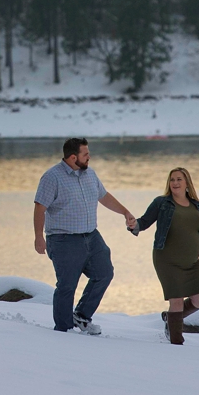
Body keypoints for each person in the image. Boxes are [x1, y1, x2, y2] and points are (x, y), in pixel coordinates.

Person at [33, 136, 140, 334]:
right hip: (64, 240)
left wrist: (125, 212)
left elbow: (104, 197)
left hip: (92, 236)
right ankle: (64, 330)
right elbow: (40, 208)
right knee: (67, 286)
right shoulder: (52, 177)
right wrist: (39, 237)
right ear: (73, 157)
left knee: (104, 273)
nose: (89, 157)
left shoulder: (89, 174)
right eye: (86, 154)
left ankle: (81, 316)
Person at [133, 166, 199, 345]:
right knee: (177, 301)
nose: (175, 183)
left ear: (187, 183)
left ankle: (171, 318)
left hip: (191, 262)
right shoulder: (162, 203)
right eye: (172, 180)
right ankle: (176, 345)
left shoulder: (196, 205)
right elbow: (143, 222)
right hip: (167, 260)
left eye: (179, 179)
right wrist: (132, 224)